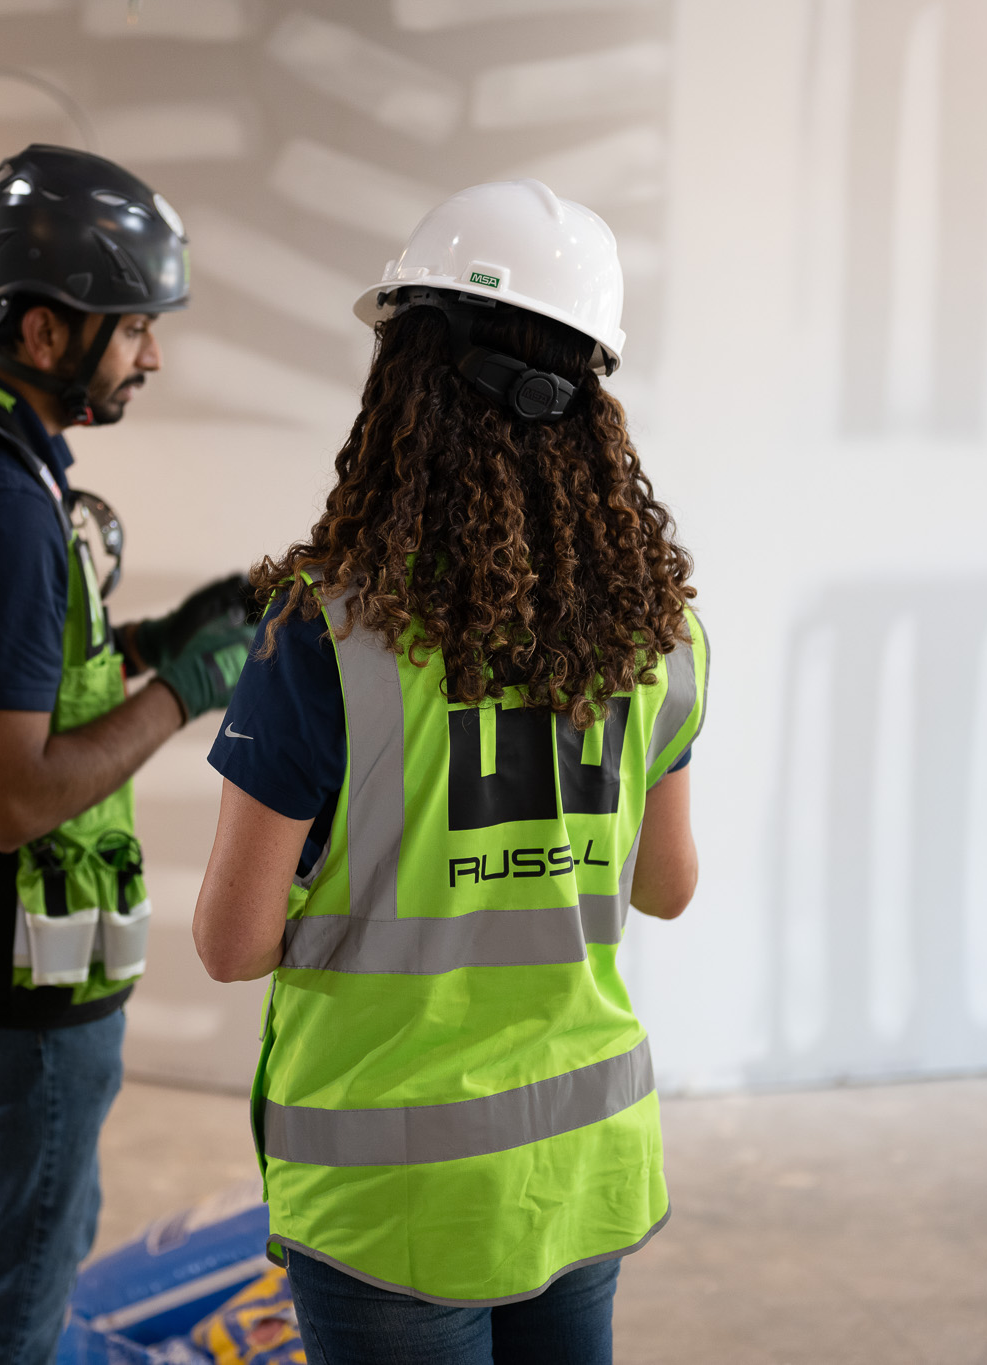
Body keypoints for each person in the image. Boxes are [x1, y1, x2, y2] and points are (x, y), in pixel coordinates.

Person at [190, 179, 709, 1363]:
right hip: (576, 1162)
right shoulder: (660, 633)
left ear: (406, 383)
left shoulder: (325, 636)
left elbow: (231, 943)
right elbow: (666, 886)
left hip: (392, 1198)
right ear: (589, 400)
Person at [0, 144, 257, 1365]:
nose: (150, 357)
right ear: (42, 330)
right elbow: (14, 798)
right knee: (13, 1304)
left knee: (34, 1250)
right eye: (134, 329)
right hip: (12, 993)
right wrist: (185, 690)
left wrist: (151, 640)